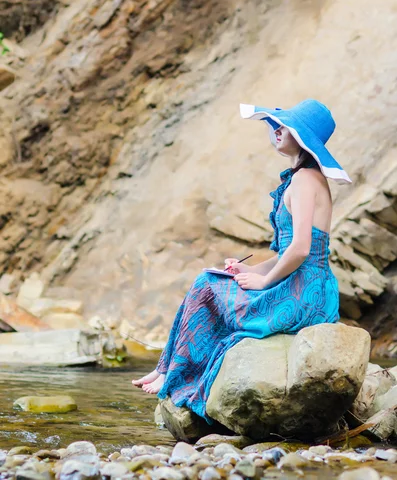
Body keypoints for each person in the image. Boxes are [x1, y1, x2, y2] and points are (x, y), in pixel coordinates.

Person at [132, 99, 351, 421]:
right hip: (296, 281)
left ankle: (172, 375)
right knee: (212, 279)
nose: (276, 130)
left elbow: (302, 249)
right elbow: (286, 252)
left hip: (306, 292)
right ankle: (166, 368)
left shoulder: (306, 180)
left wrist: (263, 280)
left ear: (302, 136)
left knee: (208, 285)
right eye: (275, 125)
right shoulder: (301, 178)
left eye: (284, 126)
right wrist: (249, 270)